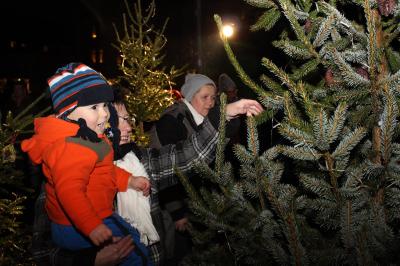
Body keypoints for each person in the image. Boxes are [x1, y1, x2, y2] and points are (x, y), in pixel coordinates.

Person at [30, 84, 264, 266]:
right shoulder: (60, 173)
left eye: (128, 120)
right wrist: (90, 261)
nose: (129, 127)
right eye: (119, 120)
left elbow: (186, 157)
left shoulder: (138, 163)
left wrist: (226, 113)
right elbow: (43, 249)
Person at [22, 63, 151, 266]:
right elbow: (69, 191)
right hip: (81, 223)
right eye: (94, 107)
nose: (104, 114)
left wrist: (130, 180)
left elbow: (103, 171)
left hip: (77, 222)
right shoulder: (73, 146)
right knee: (135, 251)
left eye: (104, 106)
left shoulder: (86, 138)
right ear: (68, 112)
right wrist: (92, 226)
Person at [150, 73, 249, 264]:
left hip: (202, 201)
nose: (210, 103)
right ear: (189, 96)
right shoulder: (172, 121)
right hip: (179, 208)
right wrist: (177, 213)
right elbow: (168, 168)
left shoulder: (201, 118)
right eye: (205, 97)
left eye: (213, 97)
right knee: (183, 254)